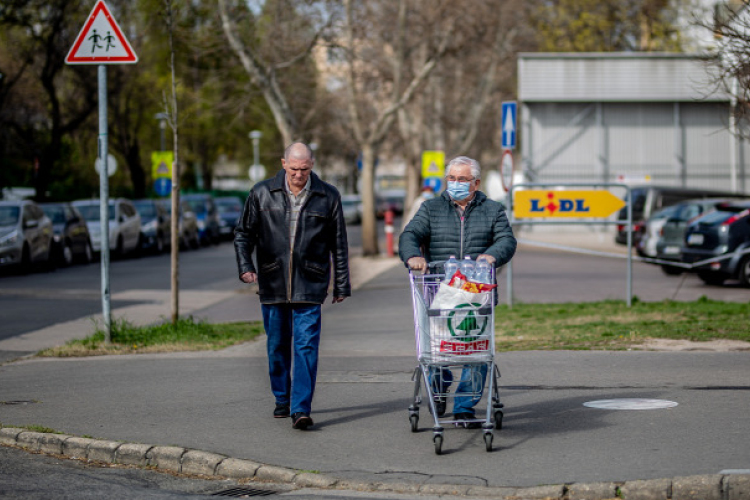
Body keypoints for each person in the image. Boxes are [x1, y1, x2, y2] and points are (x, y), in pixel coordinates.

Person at [234, 142, 351, 430]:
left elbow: (339, 243)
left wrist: (341, 284)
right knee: (277, 345)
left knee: (306, 346)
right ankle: (282, 398)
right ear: (284, 163)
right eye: (294, 169)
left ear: (312, 165)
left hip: (311, 281)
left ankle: (301, 409)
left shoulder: (328, 196)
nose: (299, 175)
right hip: (273, 281)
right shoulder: (262, 193)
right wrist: (246, 267)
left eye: (305, 169)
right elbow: (243, 235)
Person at [398, 156, 516, 427]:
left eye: (462, 179)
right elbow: (410, 235)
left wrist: (491, 255)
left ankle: (465, 406)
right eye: (451, 178)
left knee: (476, 352)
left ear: (476, 183)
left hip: (477, 296)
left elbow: (506, 239)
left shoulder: (493, 210)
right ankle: (438, 390)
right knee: (438, 351)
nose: (455, 184)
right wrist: (413, 256)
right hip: (439, 294)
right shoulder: (431, 208)